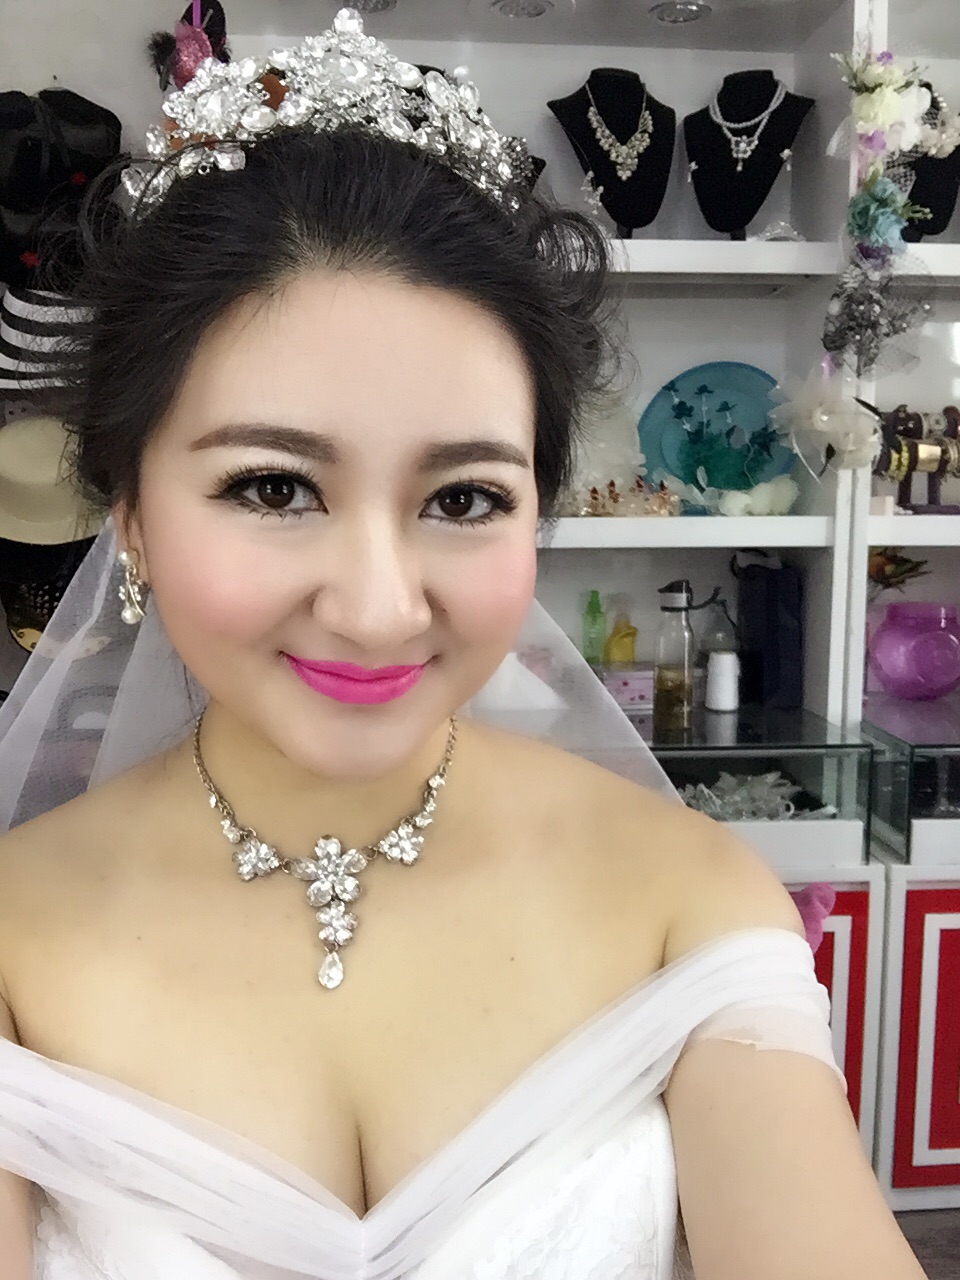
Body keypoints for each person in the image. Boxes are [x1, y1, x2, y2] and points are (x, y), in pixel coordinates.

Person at [0, 11, 928, 1279]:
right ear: (132, 518)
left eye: (463, 497)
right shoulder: (17, 941)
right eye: (274, 487)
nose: (380, 608)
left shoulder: (685, 899)